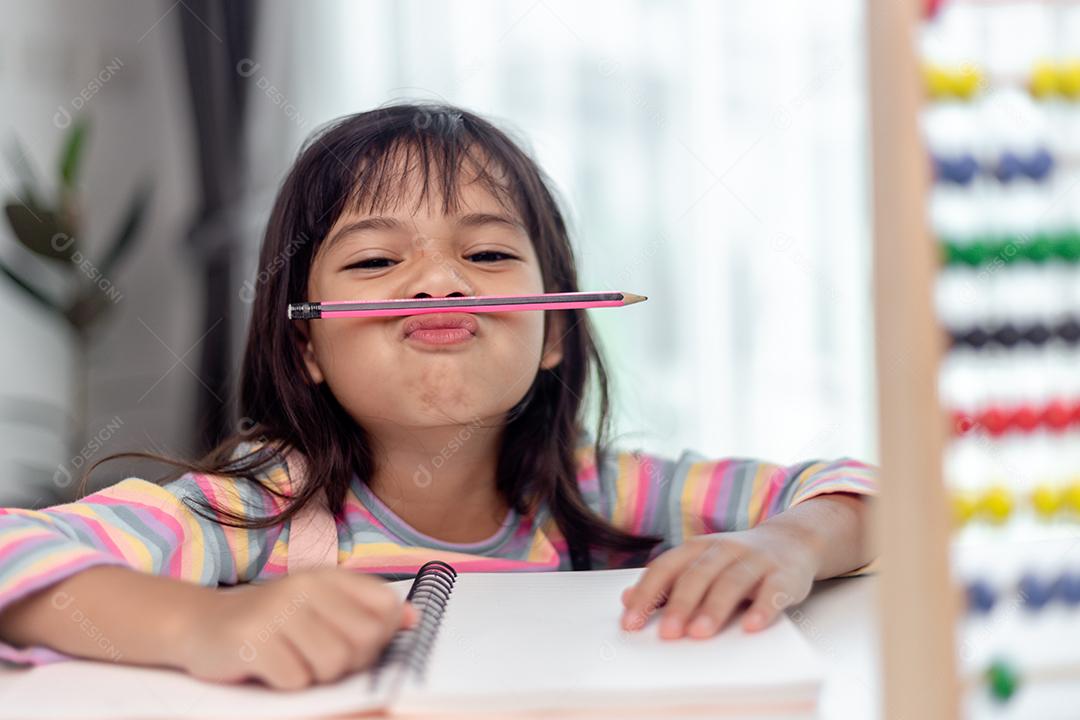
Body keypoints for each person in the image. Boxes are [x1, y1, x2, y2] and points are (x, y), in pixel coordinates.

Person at [0, 104, 877, 691]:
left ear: (558, 331)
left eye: (488, 256)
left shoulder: (600, 492)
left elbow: (874, 491)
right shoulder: (254, 512)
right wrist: (201, 627)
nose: (439, 284)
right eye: (378, 262)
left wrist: (786, 544)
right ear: (306, 343)